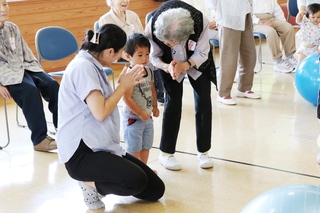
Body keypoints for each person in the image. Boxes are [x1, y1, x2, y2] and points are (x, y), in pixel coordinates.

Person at [56, 24, 165, 210]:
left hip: (98, 144)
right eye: (119, 53)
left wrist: (123, 84)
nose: (118, 58)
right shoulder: (83, 67)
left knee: (155, 190)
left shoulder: (92, 64)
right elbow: (100, 113)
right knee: (136, 181)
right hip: (81, 153)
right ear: (109, 51)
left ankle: (99, 179)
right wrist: (123, 86)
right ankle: (88, 184)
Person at [145, 0, 217, 171]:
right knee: (173, 102)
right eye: (166, 42)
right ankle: (166, 154)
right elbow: (153, 56)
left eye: (171, 43)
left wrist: (187, 64)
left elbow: (202, 52)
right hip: (168, 62)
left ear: (183, 36)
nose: (168, 44)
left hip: (198, 61)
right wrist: (166, 66)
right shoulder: (152, 26)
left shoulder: (201, 21)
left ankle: (204, 151)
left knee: (204, 102)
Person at [0, 0, 59, 152]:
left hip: (24, 66)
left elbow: (27, 52)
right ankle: (40, 139)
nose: (3, 8)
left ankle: (64, 128)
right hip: (5, 74)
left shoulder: (12, 28)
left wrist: (39, 71)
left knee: (52, 85)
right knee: (30, 91)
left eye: (5, 4)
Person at [99, 0, 165, 104]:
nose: (125, 1)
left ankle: (157, 93)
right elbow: (110, 46)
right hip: (117, 52)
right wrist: (131, 55)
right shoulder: (105, 19)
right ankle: (142, 94)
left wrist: (145, 52)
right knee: (145, 61)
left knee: (152, 57)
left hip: (136, 50)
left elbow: (142, 37)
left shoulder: (133, 15)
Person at [206, 0, 261, 105]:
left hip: (245, 12)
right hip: (227, 14)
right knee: (229, 56)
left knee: (249, 53)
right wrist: (215, 11)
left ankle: (244, 88)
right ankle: (223, 93)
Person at [122, 33, 159, 164]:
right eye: (140, 55)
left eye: (147, 54)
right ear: (128, 56)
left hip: (147, 116)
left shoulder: (148, 70)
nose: (145, 58)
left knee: (146, 145)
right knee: (134, 148)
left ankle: (145, 169)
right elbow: (126, 98)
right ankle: (136, 172)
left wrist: (154, 106)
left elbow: (152, 88)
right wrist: (140, 113)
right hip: (134, 119)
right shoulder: (129, 74)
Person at [252, 0, 297, 73]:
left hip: (270, 18)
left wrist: (283, 24)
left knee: (288, 28)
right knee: (271, 31)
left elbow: (277, 11)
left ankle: (289, 57)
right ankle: (277, 61)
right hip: (254, 22)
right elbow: (246, 12)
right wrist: (259, 21)